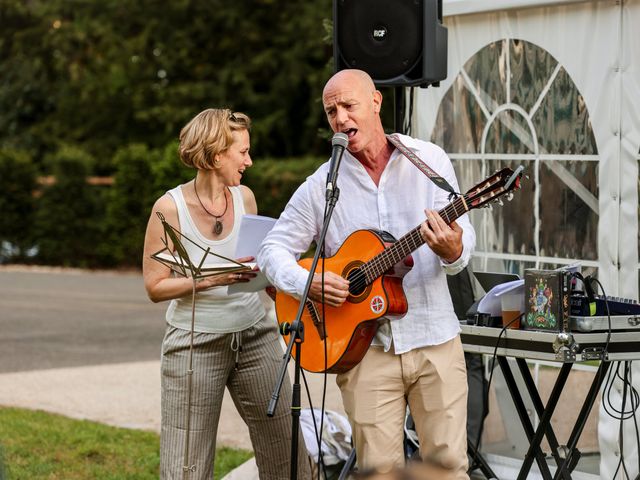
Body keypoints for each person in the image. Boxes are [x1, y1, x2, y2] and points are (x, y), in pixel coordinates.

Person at [257, 70, 476, 478]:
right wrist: (308, 282)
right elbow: (271, 249)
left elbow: (463, 246)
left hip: (435, 340)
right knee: (378, 473)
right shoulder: (321, 185)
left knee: (448, 470)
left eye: (348, 106)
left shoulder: (428, 161)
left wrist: (454, 250)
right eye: (331, 111)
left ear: (375, 102)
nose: (340, 118)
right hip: (364, 351)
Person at [142, 108, 311, 479]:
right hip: (194, 341)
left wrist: (275, 285)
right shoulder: (168, 209)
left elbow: (256, 262)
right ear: (217, 155)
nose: (249, 161)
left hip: (256, 334)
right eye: (243, 152)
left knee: (287, 449)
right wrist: (210, 280)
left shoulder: (245, 198)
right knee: (186, 462)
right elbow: (155, 287)